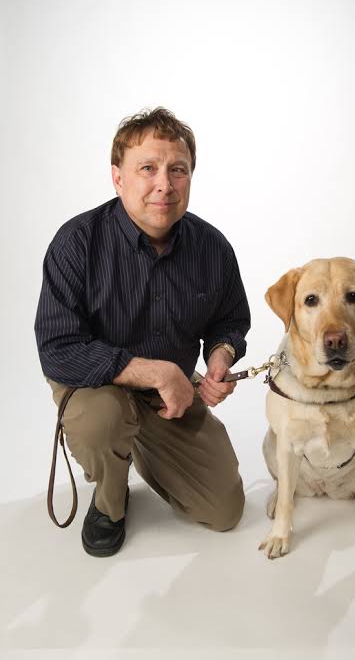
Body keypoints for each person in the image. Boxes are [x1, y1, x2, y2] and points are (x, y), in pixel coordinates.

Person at [34, 107, 251, 557]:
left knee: (225, 509)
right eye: (147, 168)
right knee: (105, 421)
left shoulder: (213, 247)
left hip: (168, 398)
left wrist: (220, 357)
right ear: (118, 178)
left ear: (191, 176)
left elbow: (229, 321)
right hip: (98, 389)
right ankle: (111, 499)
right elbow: (57, 349)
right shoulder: (76, 243)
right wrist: (155, 372)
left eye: (178, 170)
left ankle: (141, 442)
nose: (164, 185)